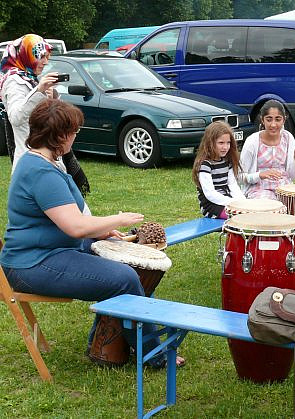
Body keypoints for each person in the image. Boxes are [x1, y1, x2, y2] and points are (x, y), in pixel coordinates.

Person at [0, 99, 181, 368]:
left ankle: (104, 347)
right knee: (125, 278)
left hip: (52, 252)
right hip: (33, 264)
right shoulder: (40, 171)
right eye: (74, 131)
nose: (75, 136)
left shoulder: (42, 162)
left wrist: (103, 232)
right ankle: (153, 354)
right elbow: (75, 226)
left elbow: (71, 220)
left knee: (129, 266)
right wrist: (118, 219)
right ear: (60, 135)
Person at [0, 34, 90, 193]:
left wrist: (52, 96)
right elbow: (15, 118)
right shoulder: (14, 82)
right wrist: (39, 90)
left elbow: (49, 116)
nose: (46, 62)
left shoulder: (30, 79)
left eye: (47, 57)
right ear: (26, 54)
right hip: (32, 161)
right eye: (41, 56)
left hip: (48, 157)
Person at [239, 100, 295, 199]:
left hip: (285, 188)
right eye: (269, 119)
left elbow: (293, 176)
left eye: (278, 119)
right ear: (262, 120)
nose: (273, 125)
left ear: (284, 120)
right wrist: (260, 175)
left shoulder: (288, 138)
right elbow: (240, 177)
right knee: (267, 205)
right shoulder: (252, 141)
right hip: (259, 190)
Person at [192, 121, 243, 219]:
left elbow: (232, 185)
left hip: (227, 201)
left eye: (228, 143)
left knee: (249, 212)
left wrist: (242, 202)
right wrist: (233, 203)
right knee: (238, 217)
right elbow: (210, 194)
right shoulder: (205, 165)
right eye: (221, 143)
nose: (225, 147)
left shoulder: (227, 161)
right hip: (211, 206)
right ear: (210, 143)